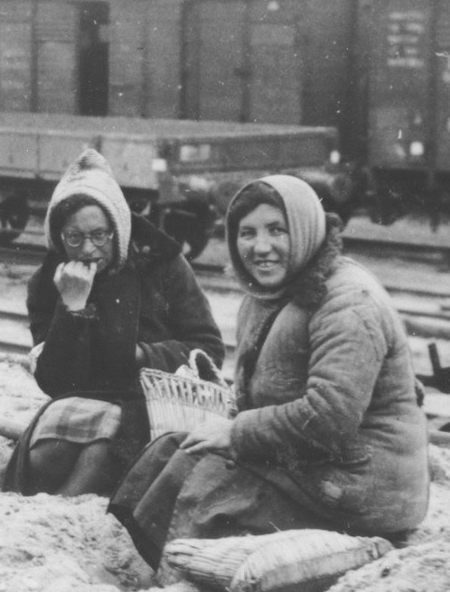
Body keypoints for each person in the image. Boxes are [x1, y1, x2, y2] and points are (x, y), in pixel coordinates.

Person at [109, 174, 430, 569]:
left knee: (206, 483)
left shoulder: (348, 303)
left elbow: (329, 418)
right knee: (172, 449)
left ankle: (163, 573)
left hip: (361, 486)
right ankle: (127, 558)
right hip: (312, 464)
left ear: (306, 229)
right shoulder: (271, 293)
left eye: (277, 230)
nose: (260, 247)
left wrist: (236, 432)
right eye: (247, 233)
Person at [4, 149, 224, 497]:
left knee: (99, 455)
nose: (89, 249)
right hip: (86, 396)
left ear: (118, 230)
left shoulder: (161, 263)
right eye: (74, 238)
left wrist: (142, 355)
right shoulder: (50, 280)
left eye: (100, 235)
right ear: (58, 237)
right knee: (46, 456)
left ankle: (64, 518)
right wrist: (72, 308)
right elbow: (54, 382)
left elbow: (208, 348)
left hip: (152, 402)